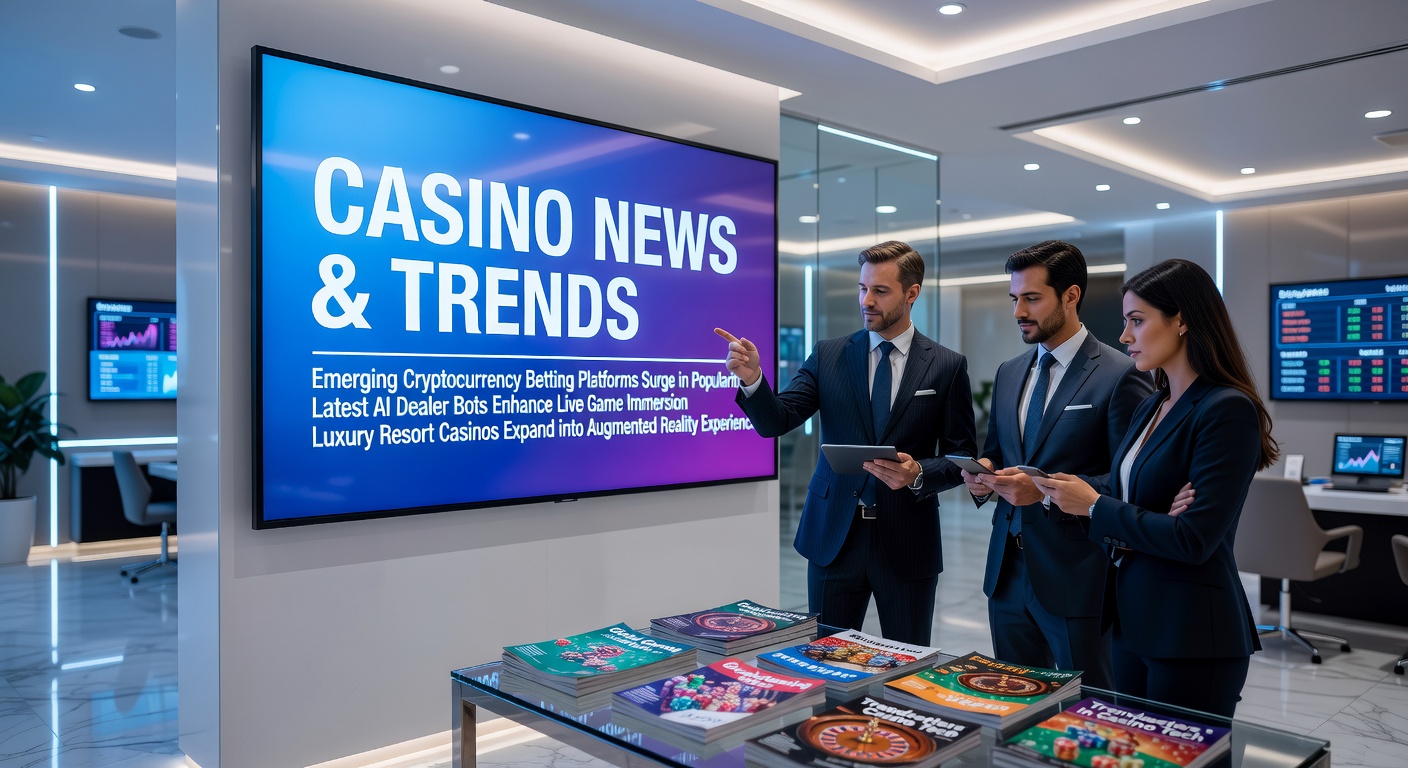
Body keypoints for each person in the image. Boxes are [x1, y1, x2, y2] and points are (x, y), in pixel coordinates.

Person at [1032, 258, 1278, 719]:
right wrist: (1057, 487)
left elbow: (1192, 539)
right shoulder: (1154, 404)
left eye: (1137, 321)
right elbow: (1125, 486)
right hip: (1132, 621)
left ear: (1182, 320)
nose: (1124, 337)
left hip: (1191, 633)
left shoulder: (1226, 409)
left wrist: (1097, 507)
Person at [716, 240, 976, 645]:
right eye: (862, 288)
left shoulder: (946, 365)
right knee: (826, 660)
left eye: (880, 291)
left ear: (912, 293)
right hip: (834, 535)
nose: (866, 300)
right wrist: (753, 380)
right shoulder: (829, 354)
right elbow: (777, 421)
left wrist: (919, 472)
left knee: (907, 663)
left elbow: (963, 456)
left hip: (908, 538)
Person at [961, 241, 1153, 689]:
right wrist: (983, 476)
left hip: (1077, 575)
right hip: (1005, 574)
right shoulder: (1010, 371)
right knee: (1013, 699)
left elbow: (1131, 480)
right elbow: (1000, 452)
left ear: (1071, 296)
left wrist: (1043, 494)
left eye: (1031, 298)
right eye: (1014, 299)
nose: (1018, 312)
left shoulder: (1121, 374)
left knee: (1086, 710)